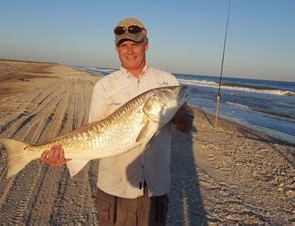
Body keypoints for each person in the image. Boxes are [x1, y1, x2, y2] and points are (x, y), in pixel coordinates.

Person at [41, 17, 194, 225]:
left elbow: (186, 127)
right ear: (116, 49)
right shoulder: (104, 86)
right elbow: (92, 132)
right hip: (115, 190)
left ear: (146, 45)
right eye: (124, 45)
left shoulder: (168, 82)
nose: (130, 51)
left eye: (135, 44)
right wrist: (64, 155)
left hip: (155, 189)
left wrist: (181, 115)